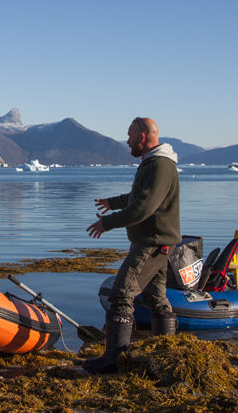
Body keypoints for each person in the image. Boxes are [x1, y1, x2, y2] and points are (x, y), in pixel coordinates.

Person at [83, 116, 181, 374]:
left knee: (121, 293)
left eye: (129, 136)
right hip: (156, 243)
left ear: (142, 137)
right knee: (156, 297)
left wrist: (108, 222)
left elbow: (144, 207)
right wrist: (112, 202)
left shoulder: (160, 166)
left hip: (150, 244)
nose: (126, 141)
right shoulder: (153, 164)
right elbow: (138, 197)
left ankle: (113, 360)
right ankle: (167, 351)